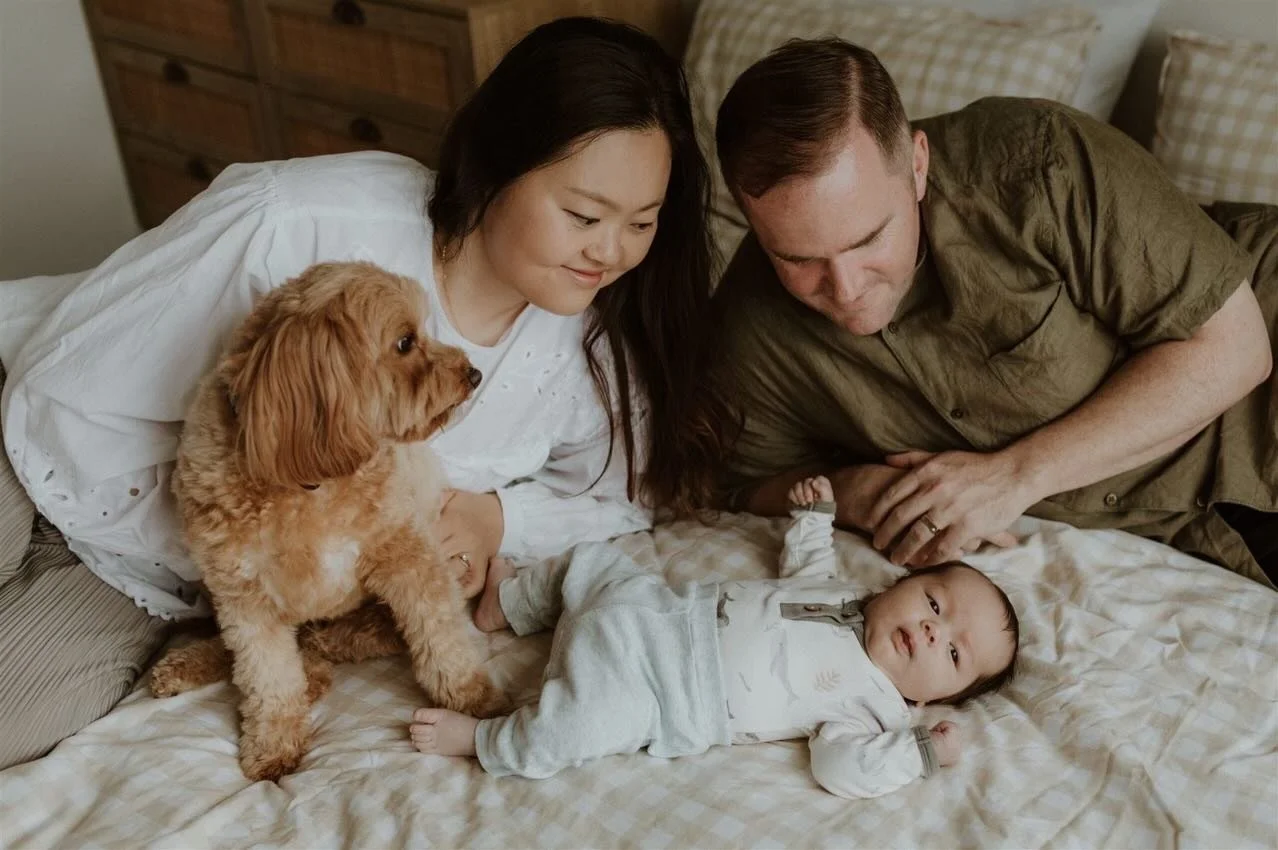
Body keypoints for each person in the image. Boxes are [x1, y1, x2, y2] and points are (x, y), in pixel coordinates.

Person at [0, 17, 731, 768]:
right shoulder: (296, 225)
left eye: (641, 223)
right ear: (499, 166)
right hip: (30, 437)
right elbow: (67, 371)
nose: (610, 252)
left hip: (162, 582)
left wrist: (498, 517)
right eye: (584, 215)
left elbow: (627, 493)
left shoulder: (590, 352)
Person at [709, 37, 1278, 587]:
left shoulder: (1038, 161)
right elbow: (742, 483)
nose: (846, 287)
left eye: (869, 239)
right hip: (1198, 525)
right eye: (798, 258)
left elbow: (1235, 349)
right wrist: (854, 490)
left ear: (917, 165)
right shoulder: (749, 327)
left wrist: (1011, 477)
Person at [408, 474, 1019, 798]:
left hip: (656, 694)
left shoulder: (870, 710)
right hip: (649, 604)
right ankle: (508, 603)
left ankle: (486, 740)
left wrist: (917, 754)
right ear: (904, 582)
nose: (933, 632)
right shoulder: (846, 596)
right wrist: (812, 521)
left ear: (932, 700)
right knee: (590, 558)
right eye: (935, 603)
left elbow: (842, 766)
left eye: (955, 653)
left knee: (570, 732)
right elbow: (806, 569)